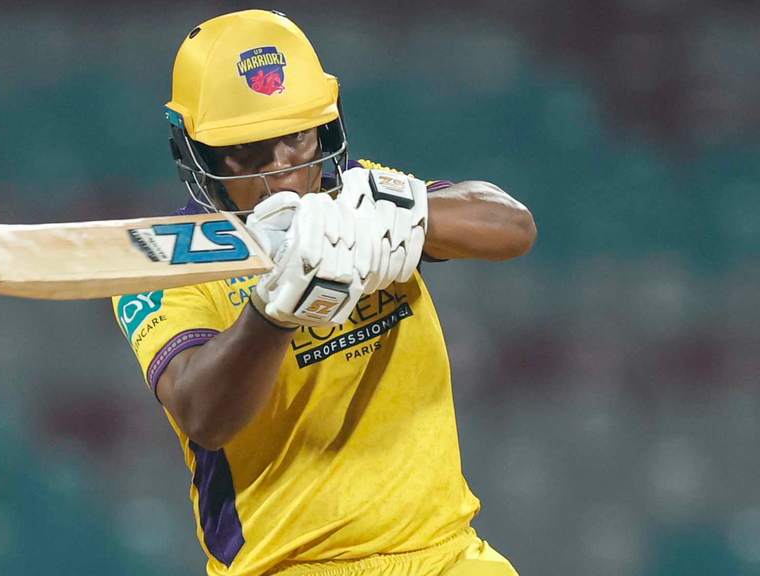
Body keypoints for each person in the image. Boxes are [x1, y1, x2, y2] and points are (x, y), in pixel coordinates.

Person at [112, 9, 537, 576]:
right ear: (197, 152)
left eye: (296, 137)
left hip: (448, 553)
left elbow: (514, 228)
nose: (283, 173)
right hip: (288, 564)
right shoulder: (165, 261)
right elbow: (203, 415)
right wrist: (276, 311)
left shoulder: (358, 196)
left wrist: (406, 219)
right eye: (247, 150)